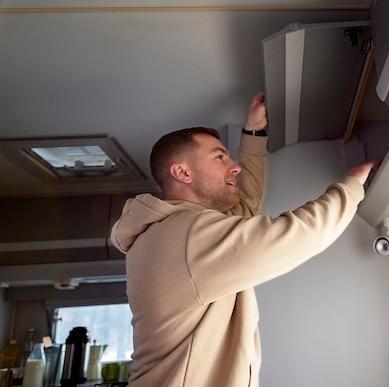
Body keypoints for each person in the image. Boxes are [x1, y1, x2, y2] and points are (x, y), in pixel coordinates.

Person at [110, 92, 374, 387]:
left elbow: (243, 205)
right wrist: (350, 188)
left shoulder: (172, 231)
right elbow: (295, 237)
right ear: (182, 172)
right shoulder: (187, 235)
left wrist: (253, 132)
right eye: (219, 157)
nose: (233, 165)